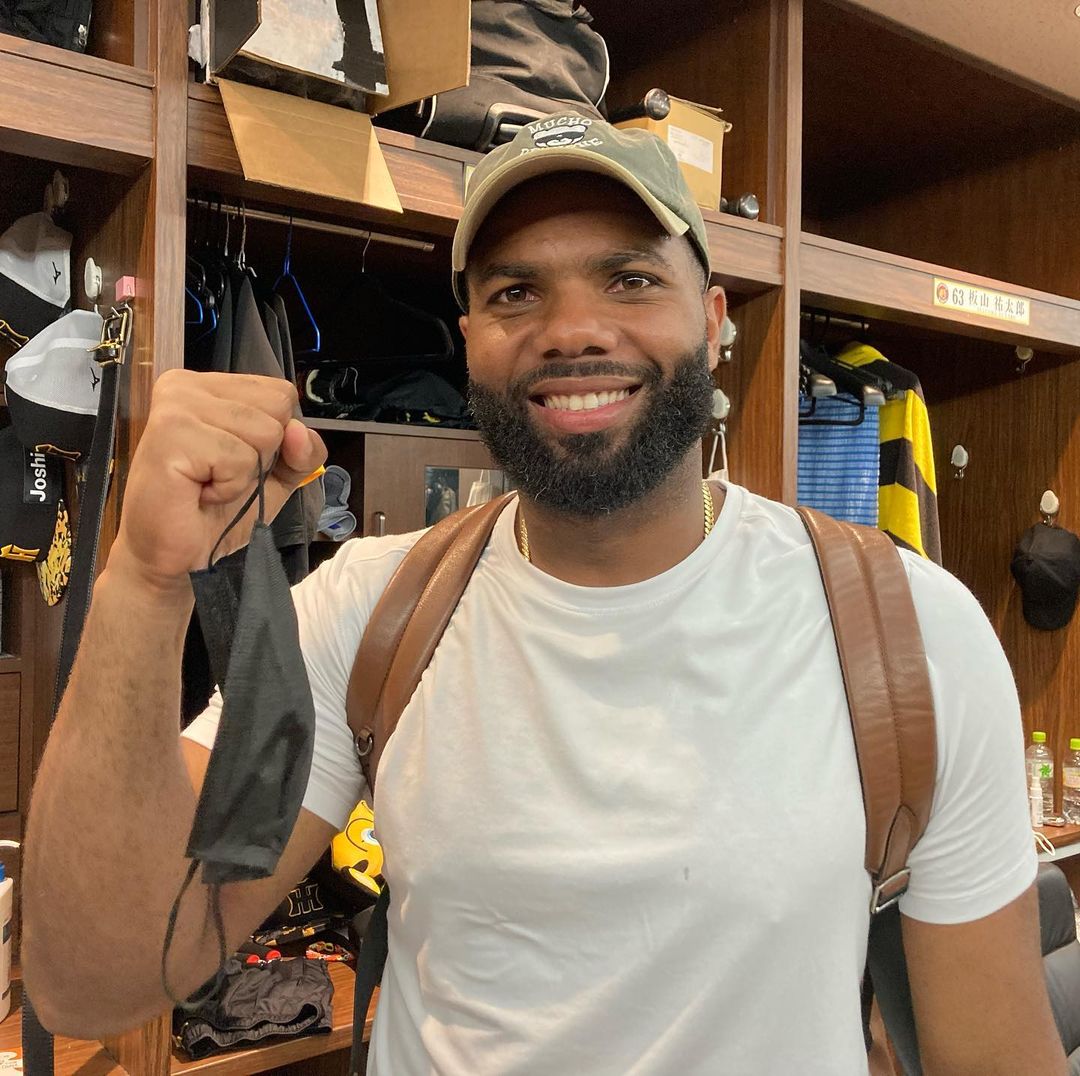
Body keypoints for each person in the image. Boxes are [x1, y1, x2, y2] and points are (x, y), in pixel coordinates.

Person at [22, 113, 1065, 1074]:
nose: (572, 330)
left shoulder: (907, 634)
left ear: (713, 319)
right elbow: (90, 980)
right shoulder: (370, 612)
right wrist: (144, 581)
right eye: (516, 292)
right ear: (469, 334)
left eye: (630, 279)